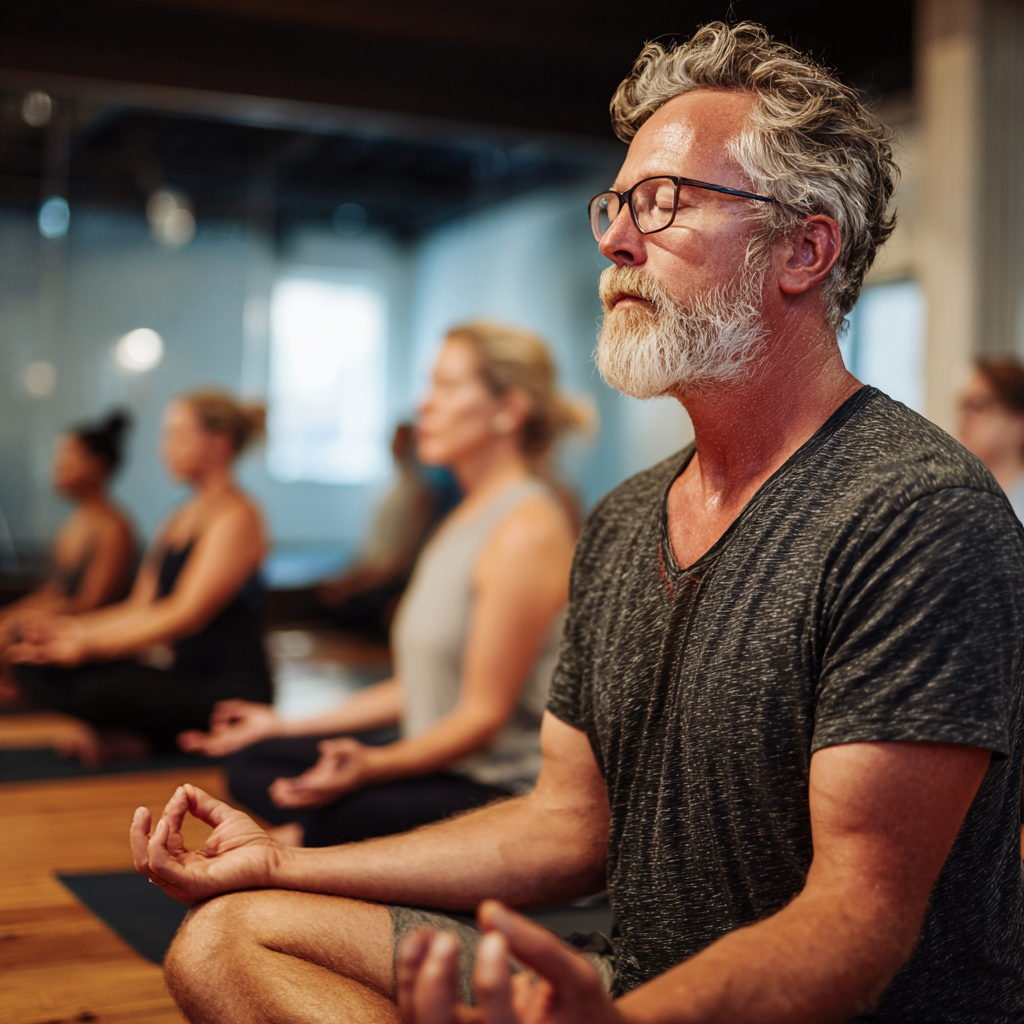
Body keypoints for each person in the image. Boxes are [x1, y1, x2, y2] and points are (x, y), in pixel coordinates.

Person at [132, 22, 1023, 1024]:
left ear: (803, 250)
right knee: (231, 932)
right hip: (627, 987)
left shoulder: (914, 511)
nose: (613, 239)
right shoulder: (626, 517)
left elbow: (860, 915)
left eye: (666, 204)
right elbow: (565, 826)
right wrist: (290, 862)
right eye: (619, 204)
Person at [179, 322, 581, 849]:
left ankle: (312, 838)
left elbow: (482, 718)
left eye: (446, 385)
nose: (424, 404)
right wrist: (281, 723)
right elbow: (418, 685)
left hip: (496, 789)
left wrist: (374, 765)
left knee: (325, 803)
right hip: (437, 759)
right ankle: (315, 835)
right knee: (258, 759)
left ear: (509, 409)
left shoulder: (526, 527)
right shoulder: (462, 518)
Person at [11, 389, 272, 763]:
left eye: (177, 435)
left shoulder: (239, 516)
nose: (164, 449)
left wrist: (89, 646)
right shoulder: (179, 517)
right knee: (33, 663)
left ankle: (150, 738)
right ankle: (144, 738)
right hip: (180, 674)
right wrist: (70, 634)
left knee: (98, 689)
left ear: (219, 443)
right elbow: (141, 606)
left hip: (229, 690)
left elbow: (185, 613)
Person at [0, 410, 136, 656]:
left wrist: (18, 624)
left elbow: (90, 604)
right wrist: (12, 615)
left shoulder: (113, 528)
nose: (57, 466)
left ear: (98, 465)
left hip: (85, 635)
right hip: (59, 623)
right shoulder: (74, 523)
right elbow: (56, 591)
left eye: (68, 457)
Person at [311, 422, 448, 640]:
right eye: (394, 439)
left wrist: (352, 587)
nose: (396, 445)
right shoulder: (390, 487)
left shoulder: (421, 492)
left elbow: (398, 562)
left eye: (403, 440)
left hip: (391, 583)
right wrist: (348, 580)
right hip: (373, 573)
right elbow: (370, 551)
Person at [958, 356, 1024, 520]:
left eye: (979, 406)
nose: (965, 417)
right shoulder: (957, 498)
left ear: (1019, 422)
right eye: (964, 406)